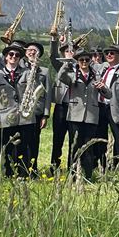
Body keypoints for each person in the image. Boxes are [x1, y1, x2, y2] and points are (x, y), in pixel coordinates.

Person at [58, 48, 111, 179]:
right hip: (75, 115)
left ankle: (87, 176)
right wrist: (67, 62)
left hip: (91, 116)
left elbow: (109, 94)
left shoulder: (96, 75)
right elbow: (61, 77)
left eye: (87, 60)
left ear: (90, 61)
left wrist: (103, 88)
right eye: (81, 60)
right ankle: (73, 175)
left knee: (89, 148)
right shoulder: (72, 74)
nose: (84, 62)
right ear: (78, 61)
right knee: (74, 146)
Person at [0, 41, 36, 178]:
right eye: (11, 54)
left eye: (17, 55)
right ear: (5, 57)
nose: (14, 57)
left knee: (24, 146)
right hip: (5, 116)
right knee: (7, 147)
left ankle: (23, 174)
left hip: (24, 116)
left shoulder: (27, 73)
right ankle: (7, 174)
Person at [93, 44, 119, 170]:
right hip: (100, 107)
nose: (109, 55)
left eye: (112, 53)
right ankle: (102, 165)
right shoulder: (102, 69)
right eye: (107, 53)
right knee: (100, 138)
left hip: (116, 109)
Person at [48, 33, 77, 173]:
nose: (70, 54)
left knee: (74, 140)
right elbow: (52, 56)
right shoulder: (60, 65)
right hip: (60, 107)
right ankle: (54, 167)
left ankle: (73, 168)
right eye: (66, 51)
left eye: (72, 51)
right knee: (57, 139)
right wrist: (54, 40)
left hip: (75, 107)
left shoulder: (81, 66)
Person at [24, 41, 52, 174]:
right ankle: (21, 168)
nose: (32, 52)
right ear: (25, 53)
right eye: (29, 50)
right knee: (22, 140)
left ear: (39, 54)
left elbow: (48, 94)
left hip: (37, 110)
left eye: (35, 51)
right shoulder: (20, 68)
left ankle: (33, 169)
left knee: (34, 140)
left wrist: (46, 115)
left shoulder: (45, 71)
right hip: (23, 110)